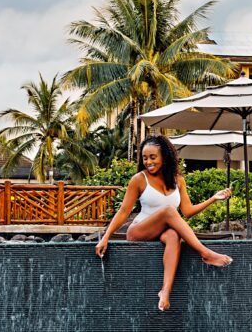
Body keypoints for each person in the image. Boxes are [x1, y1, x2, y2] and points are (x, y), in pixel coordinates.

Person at [96, 134, 233, 312]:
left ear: (164, 157)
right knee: (169, 211)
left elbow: (187, 212)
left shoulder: (178, 180)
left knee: (174, 234)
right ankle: (205, 253)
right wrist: (106, 237)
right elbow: (123, 211)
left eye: (153, 157)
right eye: (145, 158)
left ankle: (165, 292)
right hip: (139, 230)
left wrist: (213, 199)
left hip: (162, 233)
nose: (148, 162)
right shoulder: (139, 179)